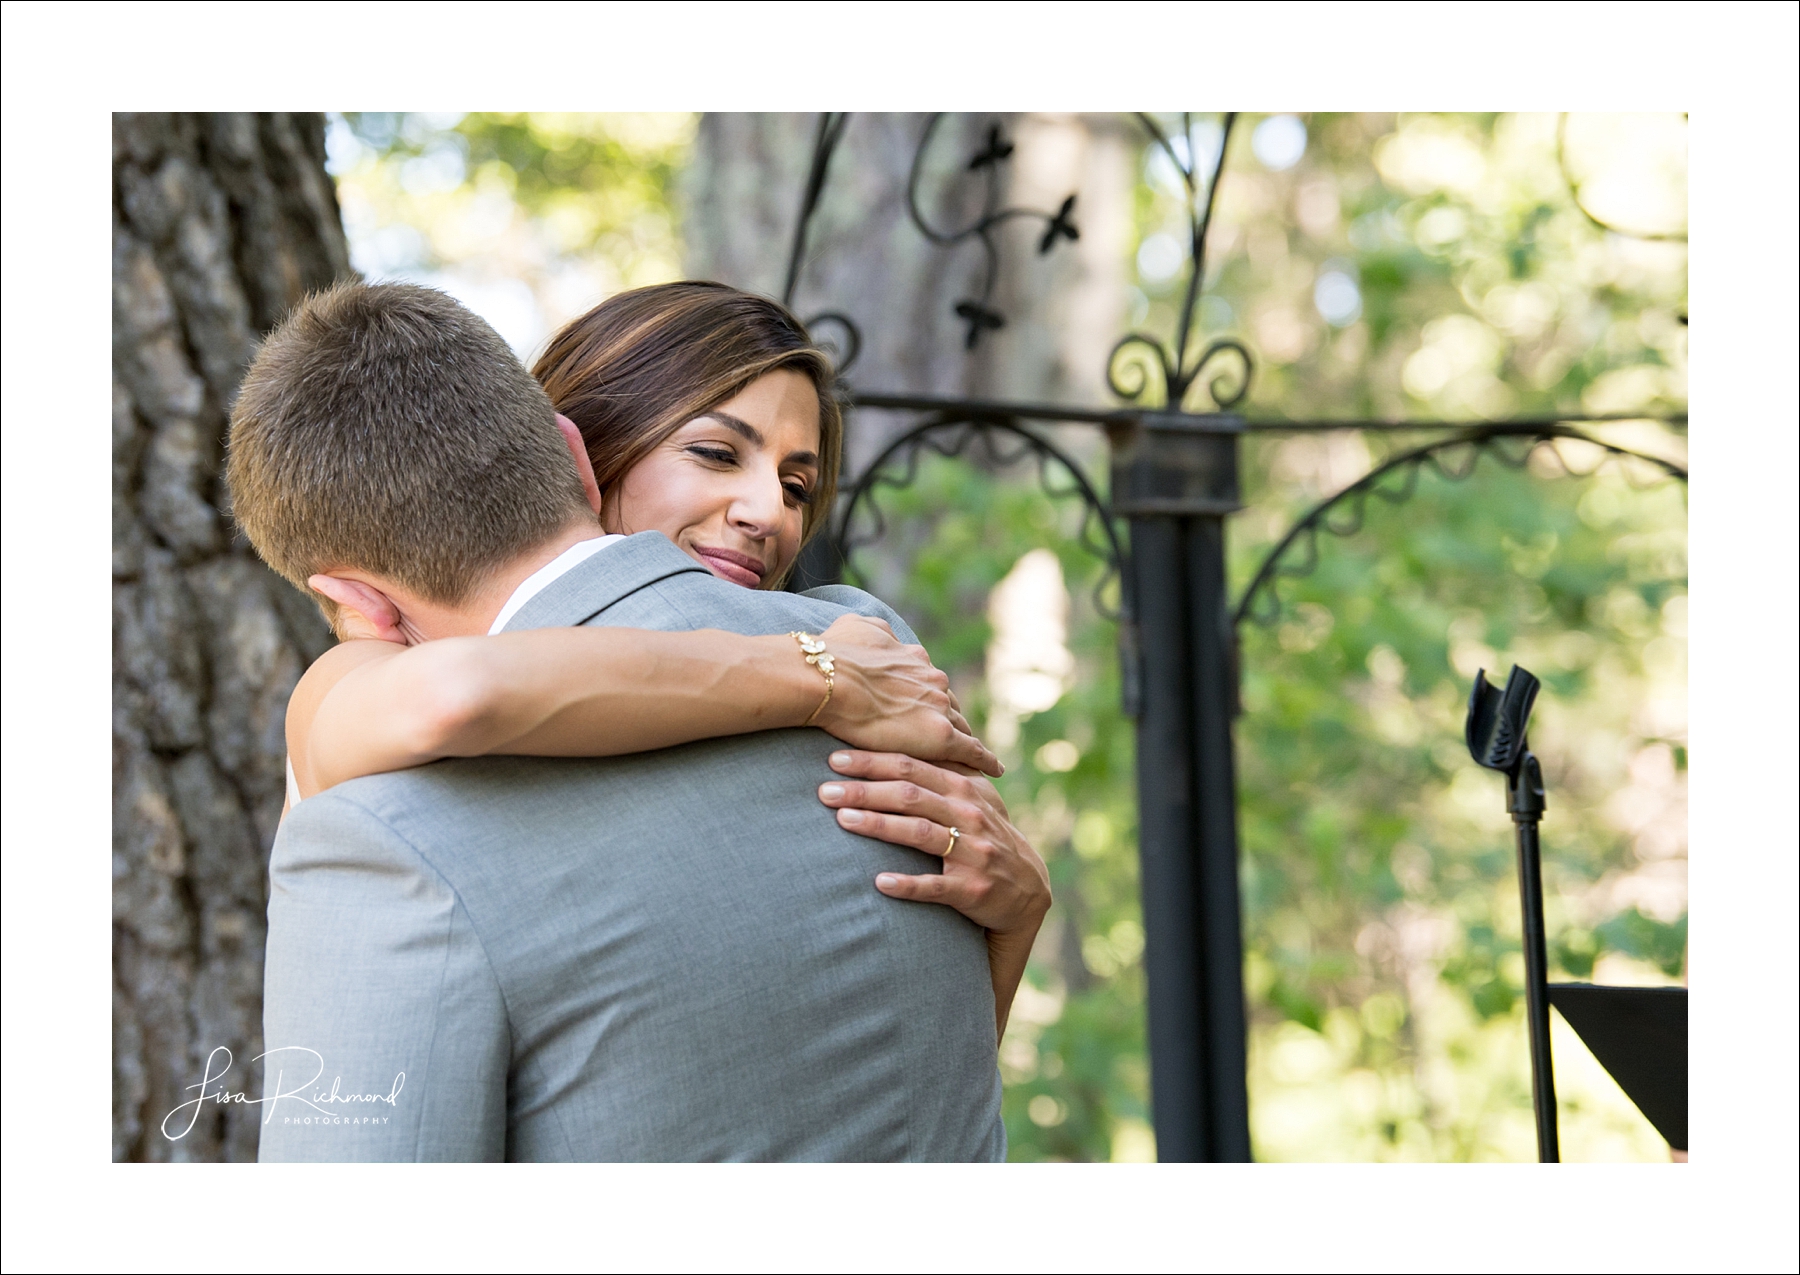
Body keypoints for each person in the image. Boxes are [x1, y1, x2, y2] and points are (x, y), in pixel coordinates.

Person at [239, 280, 1048, 1160]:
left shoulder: (381, 827)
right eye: (713, 451)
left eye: (796, 483)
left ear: (347, 596)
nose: (769, 512)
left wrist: (1013, 920)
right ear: (579, 456)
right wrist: (818, 671)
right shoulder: (868, 650)